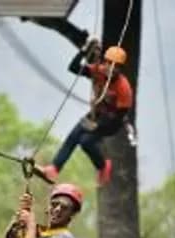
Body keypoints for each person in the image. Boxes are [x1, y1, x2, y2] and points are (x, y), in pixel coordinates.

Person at [37, 40, 134, 187]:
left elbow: (118, 118)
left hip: (111, 122)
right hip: (97, 114)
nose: (111, 68)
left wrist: (96, 126)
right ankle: (54, 169)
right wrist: (84, 51)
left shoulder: (123, 87)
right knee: (75, 137)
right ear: (105, 62)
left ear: (120, 69)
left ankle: (103, 166)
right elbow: (73, 68)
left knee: (85, 141)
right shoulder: (98, 71)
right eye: (109, 64)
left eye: (116, 67)